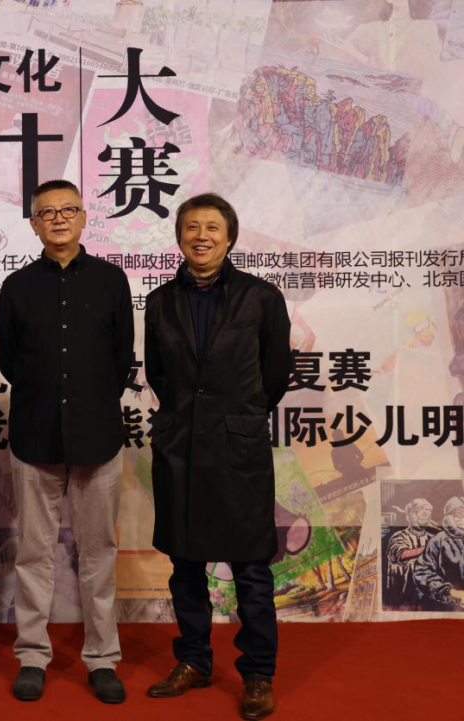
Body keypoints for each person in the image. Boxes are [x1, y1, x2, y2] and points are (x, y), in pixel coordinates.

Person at [143, 192, 292, 720]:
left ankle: (258, 674)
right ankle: (194, 661)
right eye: (191, 227)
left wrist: (235, 417)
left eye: (211, 227)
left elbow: (274, 375)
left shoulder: (261, 297)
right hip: (180, 447)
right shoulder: (160, 301)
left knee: (251, 568)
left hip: (238, 448)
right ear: (179, 237)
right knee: (185, 565)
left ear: (229, 237)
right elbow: (159, 374)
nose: (201, 236)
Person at [0, 179, 133, 704]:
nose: (58, 219)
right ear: (34, 224)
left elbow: (121, 359)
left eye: (68, 210)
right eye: (46, 212)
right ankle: (32, 655)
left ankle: (102, 659)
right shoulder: (17, 286)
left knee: (99, 552)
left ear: (83, 218)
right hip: (35, 437)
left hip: (98, 438)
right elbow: (11, 361)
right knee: (34, 554)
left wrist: (89, 404)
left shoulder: (111, 280)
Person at [413, 496, 464, 611]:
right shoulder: (438, 541)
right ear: (449, 517)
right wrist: (450, 592)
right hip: (449, 608)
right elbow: (422, 572)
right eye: (460, 513)